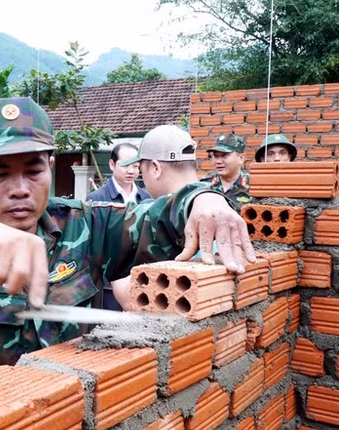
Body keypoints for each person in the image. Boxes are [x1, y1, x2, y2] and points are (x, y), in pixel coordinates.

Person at [0, 98, 255, 386]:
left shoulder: (86, 227)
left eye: (33, 171)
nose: (20, 189)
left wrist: (205, 199)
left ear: (50, 168)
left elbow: (161, 217)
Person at [110, 124, 202, 309]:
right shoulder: (220, 208)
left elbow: (130, 298)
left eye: (141, 171)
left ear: (155, 168)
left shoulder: (151, 218)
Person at [86, 142, 150, 311]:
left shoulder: (146, 198)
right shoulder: (96, 199)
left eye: (135, 166)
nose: (131, 171)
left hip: (141, 279)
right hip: (107, 283)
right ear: (112, 164)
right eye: (125, 165)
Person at [201, 133, 252, 208]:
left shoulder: (253, 187)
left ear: (241, 158)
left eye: (224, 155)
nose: (218, 161)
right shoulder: (204, 186)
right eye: (215, 156)